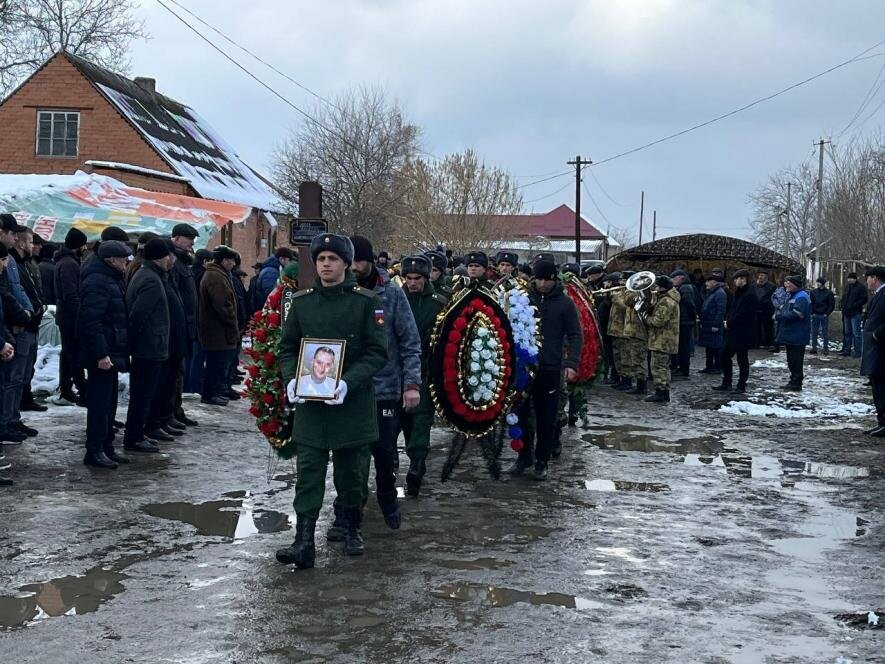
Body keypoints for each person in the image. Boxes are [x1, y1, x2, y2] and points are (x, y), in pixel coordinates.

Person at [276, 233, 388, 568]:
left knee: (350, 474)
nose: (326, 265)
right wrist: (292, 378)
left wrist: (347, 383)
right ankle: (303, 542)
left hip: (350, 405)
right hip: (312, 406)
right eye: (321, 259)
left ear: (346, 264)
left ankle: (352, 528)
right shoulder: (303, 302)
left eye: (333, 259)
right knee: (308, 472)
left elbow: (377, 353)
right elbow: (287, 347)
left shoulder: (367, 302)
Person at [337, 235, 420, 533]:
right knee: (349, 455)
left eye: (359, 261)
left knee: (384, 454)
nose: (355, 267)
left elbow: (410, 342)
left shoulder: (392, 295)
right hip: (347, 389)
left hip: (384, 389)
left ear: (370, 261)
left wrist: (411, 384)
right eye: (351, 262)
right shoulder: (341, 293)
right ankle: (345, 513)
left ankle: (387, 496)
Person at [508, 260, 582, 480]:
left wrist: (571, 363)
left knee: (546, 418)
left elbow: (575, 335)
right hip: (523, 368)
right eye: (539, 279)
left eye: (547, 280)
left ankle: (542, 460)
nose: (542, 283)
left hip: (550, 367)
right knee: (520, 415)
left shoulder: (565, 304)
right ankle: (523, 456)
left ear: (554, 279)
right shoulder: (522, 300)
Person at [78, 241, 131, 468]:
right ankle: (95, 449)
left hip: (112, 348)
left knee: (109, 402)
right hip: (102, 353)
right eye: (123, 259)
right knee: (99, 404)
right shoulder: (98, 281)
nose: (127, 263)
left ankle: (107, 446)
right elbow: (91, 322)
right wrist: (101, 354)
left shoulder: (111, 278)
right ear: (111, 260)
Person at [399, 255, 446, 495]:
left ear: (426, 278)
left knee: (420, 419)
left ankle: (417, 465)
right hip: (399, 370)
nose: (413, 283)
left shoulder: (438, 303)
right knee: (400, 420)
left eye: (417, 278)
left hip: (426, 371)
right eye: (408, 278)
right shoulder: (398, 299)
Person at [123, 239, 173, 453]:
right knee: (142, 394)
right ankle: (134, 437)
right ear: (159, 258)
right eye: (167, 256)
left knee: (144, 393)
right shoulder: (151, 279)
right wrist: (135, 343)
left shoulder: (147, 275)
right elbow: (138, 315)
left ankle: (138, 433)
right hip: (149, 347)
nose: (170, 260)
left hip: (150, 345)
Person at [0, 217, 35, 442]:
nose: (15, 238)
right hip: (12, 327)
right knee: (11, 380)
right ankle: (5, 424)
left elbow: (17, 290)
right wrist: (22, 315)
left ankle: (11, 420)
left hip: (15, 327)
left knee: (17, 378)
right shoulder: (7, 260)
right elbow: (7, 293)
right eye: (13, 234)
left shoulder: (12, 260)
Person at [198, 245, 240, 406]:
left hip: (218, 329)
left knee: (218, 363)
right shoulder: (215, 277)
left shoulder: (219, 274)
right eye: (231, 261)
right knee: (215, 364)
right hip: (216, 329)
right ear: (224, 260)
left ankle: (214, 392)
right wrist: (232, 321)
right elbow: (223, 304)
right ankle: (210, 393)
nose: (233, 264)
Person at [168, 224, 199, 428]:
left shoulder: (183, 261)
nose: (191, 244)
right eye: (189, 239)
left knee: (178, 371)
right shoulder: (174, 262)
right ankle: (169, 412)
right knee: (172, 374)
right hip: (176, 326)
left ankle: (176, 410)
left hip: (186, 324)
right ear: (177, 238)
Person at [12, 227, 46, 414]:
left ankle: (17, 413)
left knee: (25, 372)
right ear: (21, 242)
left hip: (32, 323)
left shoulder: (27, 264)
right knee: (15, 377)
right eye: (32, 242)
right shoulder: (12, 264)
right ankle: (10, 418)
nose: (34, 246)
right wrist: (26, 313)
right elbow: (14, 293)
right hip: (22, 325)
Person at [54, 226, 88, 404]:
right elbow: (71, 294)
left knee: (69, 354)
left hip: (67, 316)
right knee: (72, 354)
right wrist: (80, 315)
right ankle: (75, 389)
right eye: (83, 245)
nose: (86, 248)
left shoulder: (66, 261)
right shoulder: (69, 264)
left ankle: (70, 388)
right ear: (78, 246)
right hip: (70, 318)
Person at [715, 269, 757, 394]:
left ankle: (741, 385)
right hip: (733, 331)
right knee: (725, 355)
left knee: (742, 359)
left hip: (742, 332)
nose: (735, 281)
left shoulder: (750, 294)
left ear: (743, 279)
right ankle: (727, 382)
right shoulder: (739, 292)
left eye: (736, 279)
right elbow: (734, 309)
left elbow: (744, 314)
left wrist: (730, 322)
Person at [643, 275, 680, 402]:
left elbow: (659, 321)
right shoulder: (667, 299)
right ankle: (663, 392)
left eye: (657, 286)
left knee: (658, 367)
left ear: (663, 287)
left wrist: (646, 318)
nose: (655, 289)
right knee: (663, 367)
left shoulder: (666, 301)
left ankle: (661, 392)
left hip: (662, 339)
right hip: (664, 339)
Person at [860, 266, 885, 437]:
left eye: (868, 278)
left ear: (875, 278)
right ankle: (881, 422)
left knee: (882, 386)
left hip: (881, 348)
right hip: (874, 349)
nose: (866, 281)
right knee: (876, 386)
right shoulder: (878, 294)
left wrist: (877, 334)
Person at [775, 275, 811, 391]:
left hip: (797, 335)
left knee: (796, 360)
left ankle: (796, 382)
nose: (786, 285)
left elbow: (798, 314)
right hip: (791, 334)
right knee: (791, 360)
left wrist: (779, 316)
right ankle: (793, 381)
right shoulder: (793, 295)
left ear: (795, 284)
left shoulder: (801, 297)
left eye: (788, 282)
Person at [622, 272, 649, 395]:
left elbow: (628, 301)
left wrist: (634, 291)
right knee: (633, 358)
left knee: (639, 359)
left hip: (640, 330)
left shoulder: (643, 292)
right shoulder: (636, 292)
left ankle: (641, 385)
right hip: (632, 330)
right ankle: (638, 383)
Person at [669, 270, 698, 379]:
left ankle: (684, 369)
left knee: (683, 347)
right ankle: (680, 368)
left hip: (685, 321)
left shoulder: (685, 288)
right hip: (684, 320)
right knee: (681, 346)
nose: (672, 281)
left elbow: (690, 304)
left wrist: (692, 317)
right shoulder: (684, 287)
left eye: (674, 278)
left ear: (681, 278)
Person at [698, 274, 726, 374]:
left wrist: (716, 324)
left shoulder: (720, 293)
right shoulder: (711, 292)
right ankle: (709, 366)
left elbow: (721, 310)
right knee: (709, 347)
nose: (706, 284)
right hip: (707, 323)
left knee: (716, 347)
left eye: (708, 281)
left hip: (713, 324)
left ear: (714, 282)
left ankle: (718, 367)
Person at [607, 274, 630, 390]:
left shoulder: (630, 293)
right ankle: (620, 378)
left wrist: (616, 299)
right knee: (617, 358)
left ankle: (626, 381)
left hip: (624, 330)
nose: (621, 282)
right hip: (615, 329)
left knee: (625, 357)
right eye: (620, 280)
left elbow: (627, 308)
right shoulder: (620, 292)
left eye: (624, 280)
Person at [840, 272, 867, 358]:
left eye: (851, 278)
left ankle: (858, 351)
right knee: (847, 332)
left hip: (855, 313)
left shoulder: (861, 287)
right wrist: (842, 305)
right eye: (848, 278)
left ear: (855, 279)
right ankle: (847, 350)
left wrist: (854, 305)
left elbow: (864, 299)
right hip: (846, 313)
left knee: (856, 333)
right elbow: (844, 297)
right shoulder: (847, 287)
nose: (849, 280)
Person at [809, 276, 835, 355]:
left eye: (819, 282)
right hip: (815, 314)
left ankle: (825, 349)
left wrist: (826, 313)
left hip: (824, 315)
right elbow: (811, 303)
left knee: (825, 332)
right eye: (817, 282)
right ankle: (814, 348)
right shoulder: (813, 292)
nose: (818, 284)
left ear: (823, 283)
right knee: (814, 332)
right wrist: (812, 312)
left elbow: (831, 305)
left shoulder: (829, 293)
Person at [753, 272, 776, 348]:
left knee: (768, 327)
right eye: (759, 275)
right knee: (756, 327)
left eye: (762, 275)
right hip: (756, 310)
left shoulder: (772, 286)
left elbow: (773, 298)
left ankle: (768, 343)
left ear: (766, 277)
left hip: (767, 310)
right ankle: (757, 343)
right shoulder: (753, 286)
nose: (760, 277)